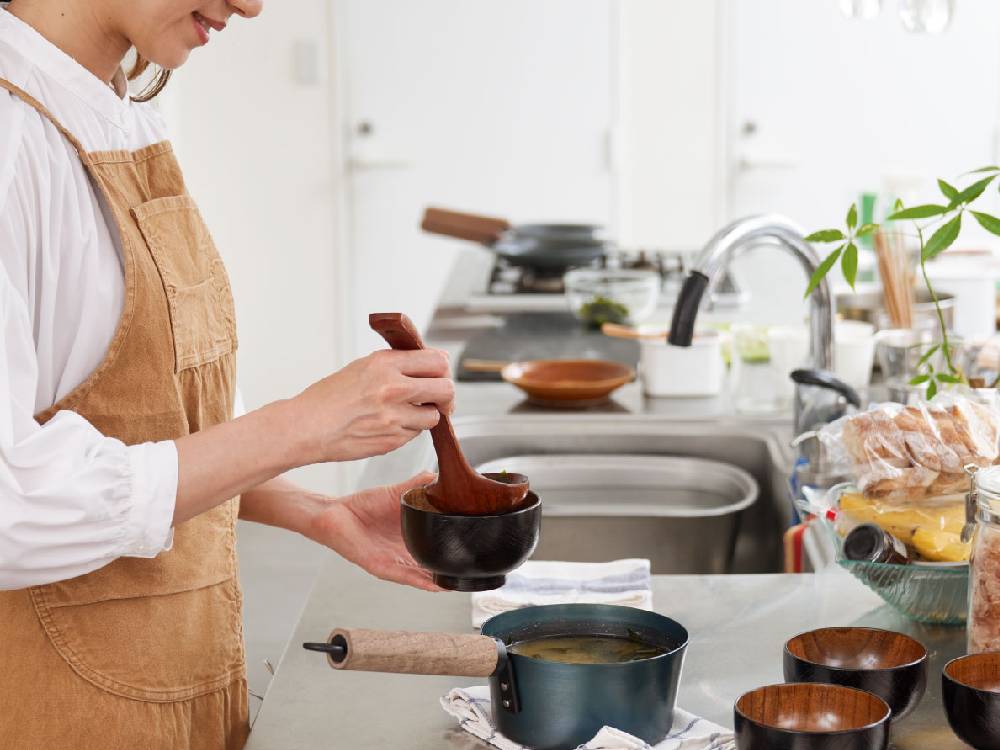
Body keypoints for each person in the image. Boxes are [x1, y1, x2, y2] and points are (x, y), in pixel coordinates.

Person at [0, 2, 453, 748]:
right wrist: (301, 426)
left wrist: (312, 510)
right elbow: (13, 505)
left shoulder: (117, 113)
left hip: (187, 687)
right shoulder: (12, 142)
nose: (251, 4)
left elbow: (155, 425)